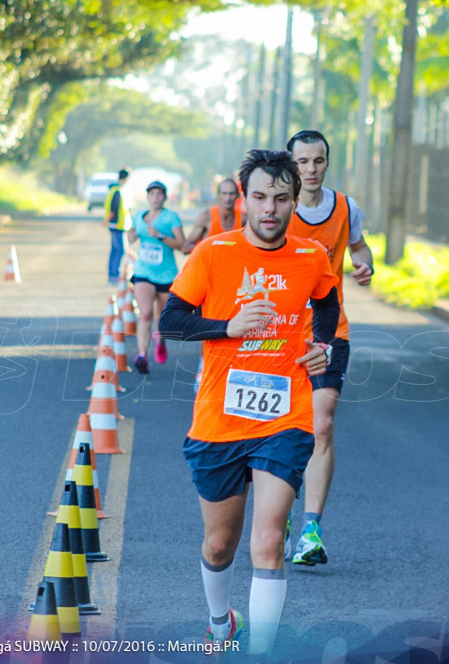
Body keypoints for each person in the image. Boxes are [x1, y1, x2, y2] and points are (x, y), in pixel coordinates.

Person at [158, 149, 340, 656]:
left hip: (285, 417)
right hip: (219, 418)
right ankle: (221, 621)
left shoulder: (309, 257)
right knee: (220, 544)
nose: (270, 209)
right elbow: (171, 320)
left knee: (267, 545)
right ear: (244, 198)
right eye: (260, 197)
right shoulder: (214, 253)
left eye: (282, 199)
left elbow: (327, 300)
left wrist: (322, 345)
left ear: (294, 201)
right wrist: (227, 328)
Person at [284, 129, 374, 567]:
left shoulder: (345, 207)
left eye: (318, 161)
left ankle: (310, 531)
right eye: (302, 162)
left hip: (328, 331)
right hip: (278, 335)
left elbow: (359, 246)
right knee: (281, 427)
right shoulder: (276, 209)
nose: (311, 170)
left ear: (327, 162)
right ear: (291, 164)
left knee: (322, 424)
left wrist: (365, 263)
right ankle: (278, 504)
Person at [127, 181, 185, 372]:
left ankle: (161, 342)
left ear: (164, 197)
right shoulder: (139, 216)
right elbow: (133, 233)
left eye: (159, 194)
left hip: (166, 275)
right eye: (152, 194)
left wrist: (160, 236)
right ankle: (142, 355)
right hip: (143, 272)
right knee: (145, 313)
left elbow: (182, 245)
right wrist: (131, 235)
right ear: (147, 197)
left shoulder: (171, 218)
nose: (155, 197)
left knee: (161, 318)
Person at [183, 178, 244, 253]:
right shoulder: (207, 216)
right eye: (224, 193)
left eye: (231, 194)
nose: (228, 198)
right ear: (218, 195)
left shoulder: (244, 219)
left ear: (237, 195)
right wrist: (210, 251)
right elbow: (186, 248)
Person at [103, 168, 132, 286]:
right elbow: (113, 208)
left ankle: (114, 275)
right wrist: (107, 220)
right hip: (117, 225)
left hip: (118, 225)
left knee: (116, 250)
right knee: (119, 250)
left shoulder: (116, 189)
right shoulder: (118, 191)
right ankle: (114, 276)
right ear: (127, 178)